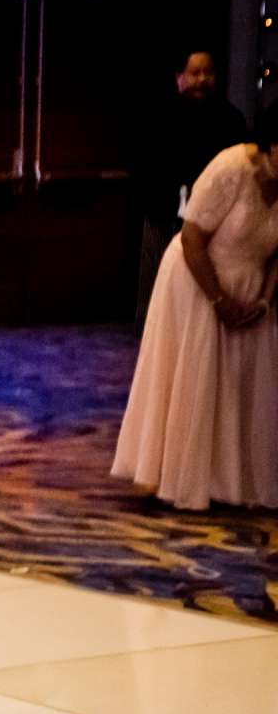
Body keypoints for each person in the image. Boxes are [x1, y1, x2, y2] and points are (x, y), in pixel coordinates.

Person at [112, 108, 278, 510]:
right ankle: (189, 476)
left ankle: (238, 483)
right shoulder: (231, 166)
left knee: (246, 385)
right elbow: (191, 239)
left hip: (252, 287)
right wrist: (219, 299)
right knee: (200, 378)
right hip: (197, 278)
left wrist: (263, 299)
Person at [136, 50, 249, 324]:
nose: (202, 80)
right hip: (164, 213)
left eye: (208, 73)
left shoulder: (231, 119)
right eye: (194, 73)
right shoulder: (160, 117)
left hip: (214, 222)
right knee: (157, 291)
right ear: (179, 78)